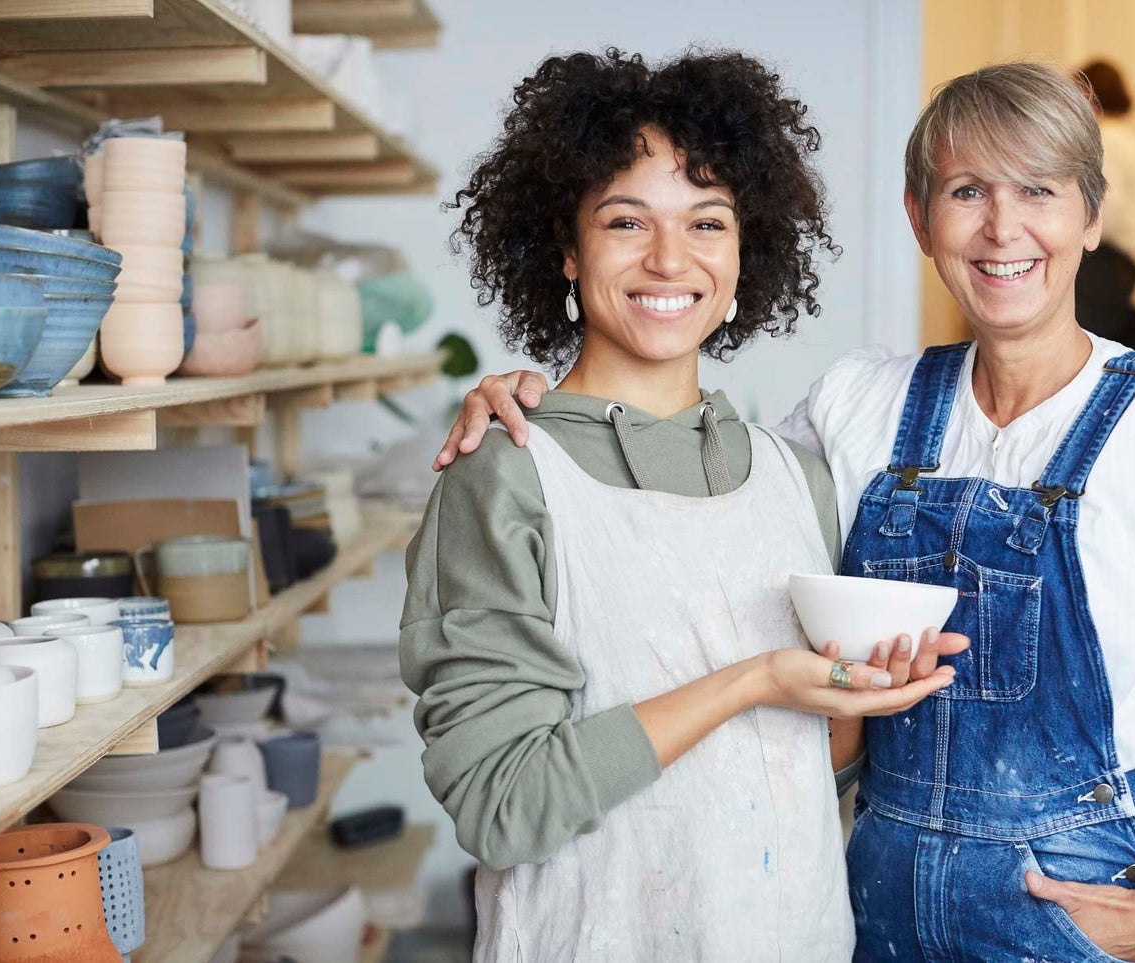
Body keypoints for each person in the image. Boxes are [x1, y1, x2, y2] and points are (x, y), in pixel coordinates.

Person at [437, 61, 1135, 963]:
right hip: (875, 893)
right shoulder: (855, 409)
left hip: (1080, 895)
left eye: (1039, 190)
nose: (1001, 228)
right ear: (920, 219)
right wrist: (536, 406)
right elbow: (706, 507)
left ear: (1090, 215)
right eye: (965, 191)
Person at [401, 48, 966, 963]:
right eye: (627, 220)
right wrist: (752, 681)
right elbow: (502, 805)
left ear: (747, 253)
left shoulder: (796, 473)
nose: (670, 257)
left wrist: (856, 698)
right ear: (566, 247)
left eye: (707, 222)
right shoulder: (504, 472)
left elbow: (804, 777)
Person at [1074, 58, 1135, 357]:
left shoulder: (1106, 140)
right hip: (1132, 269)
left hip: (1108, 270)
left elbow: (1103, 208)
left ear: (1088, 94)